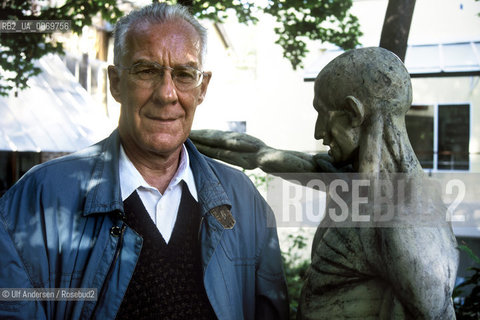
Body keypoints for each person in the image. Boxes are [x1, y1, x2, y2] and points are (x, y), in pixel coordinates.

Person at [0, 3, 288, 319]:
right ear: (115, 83)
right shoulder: (38, 199)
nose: (167, 93)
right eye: (146, 71)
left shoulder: (244, 202)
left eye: (184, 74)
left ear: (201, 88)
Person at [190, 47, 459, 318]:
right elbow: (257, 154)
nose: (319, 132)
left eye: (323, 114)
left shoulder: (405, 219)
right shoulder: (350, 180)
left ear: (354, 113)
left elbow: (436, 312)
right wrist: (177, 136)